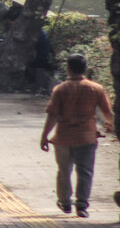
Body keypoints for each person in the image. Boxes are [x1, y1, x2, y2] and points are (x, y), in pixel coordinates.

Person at [40, 54, 115, 218]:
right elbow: (107, 112)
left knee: (64, 170)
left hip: (63, 137)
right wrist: (110, 125)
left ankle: (65, 202)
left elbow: (52, 115)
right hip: (87, 137)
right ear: (85, 68)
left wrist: (45, 136)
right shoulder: (96, 88)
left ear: (68, 69)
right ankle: (81, 205)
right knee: (85, 171)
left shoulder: (60, 89)